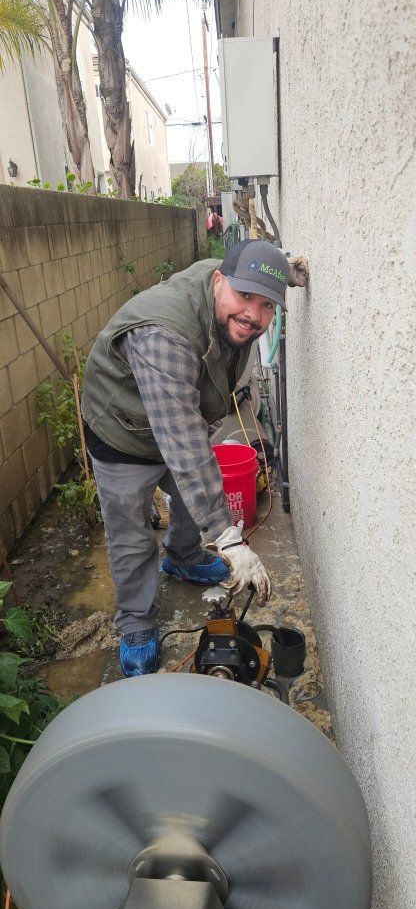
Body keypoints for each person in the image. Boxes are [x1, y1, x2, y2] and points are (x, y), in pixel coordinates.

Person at [81, 239, 291, 677]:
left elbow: (189, 451)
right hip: (123, 429)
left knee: (193, 492)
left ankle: (183, 556)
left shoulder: (233, 280)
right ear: (219, 281)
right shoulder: (164, 336)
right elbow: (184, 448)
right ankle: (136, 623)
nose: (254, 314)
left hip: (180, 417)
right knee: (132, 532)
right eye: (244, 297)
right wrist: (229, 538)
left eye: (267, 303)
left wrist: (290, 271)